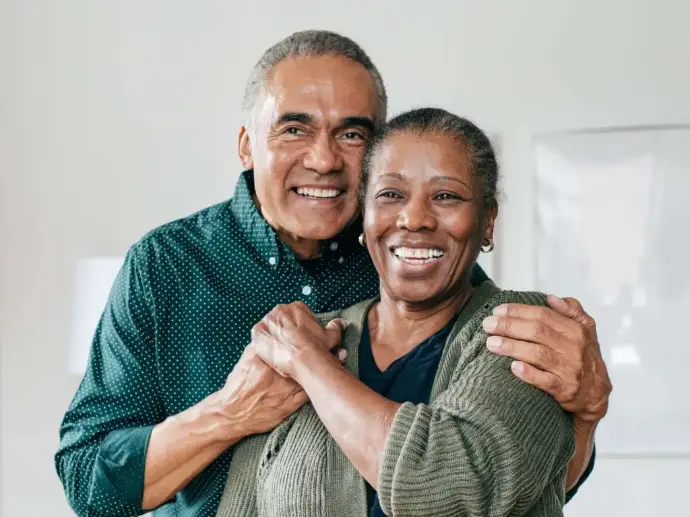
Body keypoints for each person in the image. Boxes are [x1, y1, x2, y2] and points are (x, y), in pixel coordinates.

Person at [55, 31, 611, 517]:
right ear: (248, 145)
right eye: (294, 129)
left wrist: (582, 420)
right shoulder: (165, 265)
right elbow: (89, 482)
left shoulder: (412, 262)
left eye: (351, 134)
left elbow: (502, 480)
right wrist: (228, 414)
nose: (324, 160)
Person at [215, 107, 578, 517]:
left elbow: (450, 487)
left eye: (446, 196)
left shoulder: (523, 328)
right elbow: (241, 507)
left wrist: (309, 365)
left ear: (487, 221)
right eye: (391, 195)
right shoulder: (306, 337)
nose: (415, 219)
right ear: (364, 216)